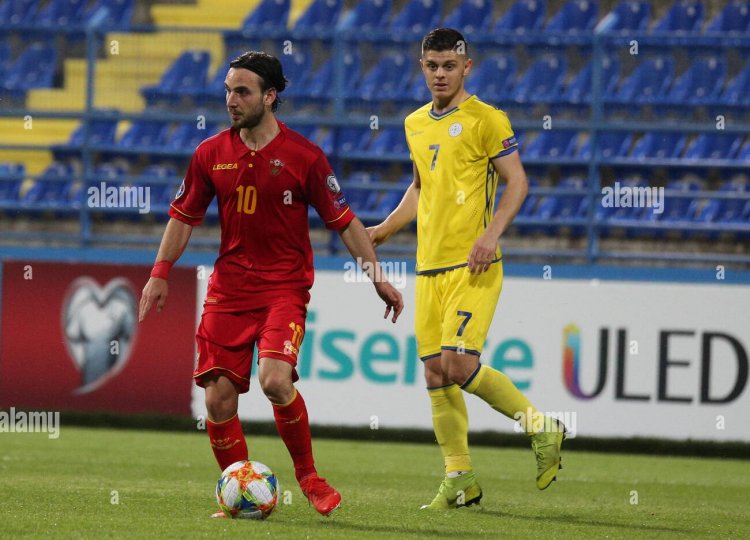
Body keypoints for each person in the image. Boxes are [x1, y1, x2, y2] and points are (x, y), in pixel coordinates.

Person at [139, 51, 404, 517]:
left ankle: (308, 476)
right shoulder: (210, 154)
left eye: (242, 91)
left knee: (275, 380)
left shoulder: (305, 157)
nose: (231, 100)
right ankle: (242, 489)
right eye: (227, 90)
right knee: (218, 396)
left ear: (270, 96)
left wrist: (377, 277)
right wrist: (160, 273)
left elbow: (345, 222)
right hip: (228, 291)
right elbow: (183, 217)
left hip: (283, 289)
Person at [368, 28, 565, 510]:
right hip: (428, 267)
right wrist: (386, 228)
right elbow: (420, 186)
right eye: (432, 66)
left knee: (458, 365)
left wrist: (490, 234)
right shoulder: (415, 122)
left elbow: (517, 183)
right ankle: (460, 478)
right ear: (422, 68)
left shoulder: (486, 119)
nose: (440, 74)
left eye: (449, 66)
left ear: (466, 67)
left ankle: (542, 427)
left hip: (474, 264)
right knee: (435, 375)